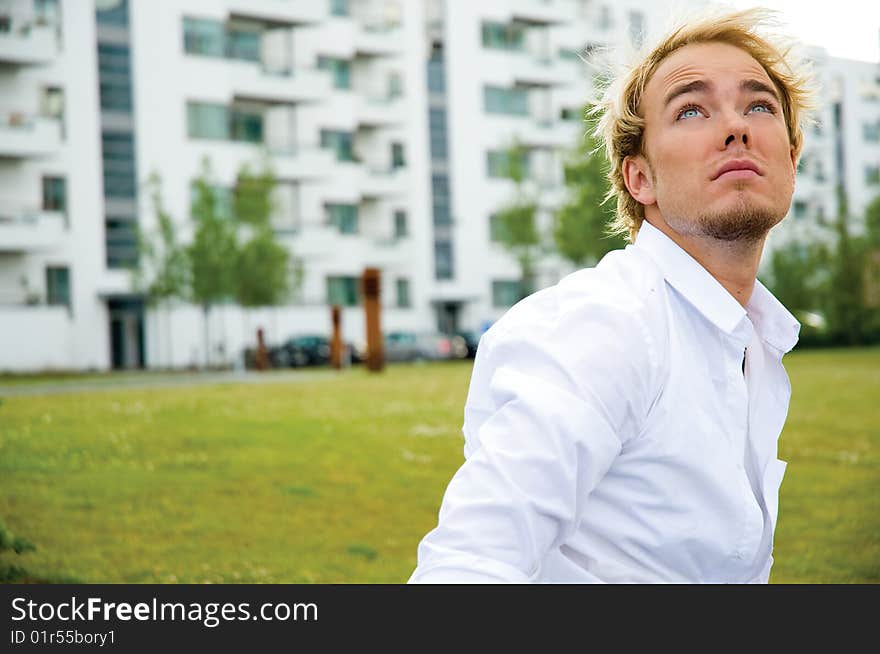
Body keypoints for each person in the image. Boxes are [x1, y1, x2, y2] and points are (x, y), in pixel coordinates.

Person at [409, 7, 816, 583]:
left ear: (792, 158)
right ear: (639, 179)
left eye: (759, 105)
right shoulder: (608, 323)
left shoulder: (748, 338)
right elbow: (474, 560)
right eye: (691, 109)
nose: (736, 127)